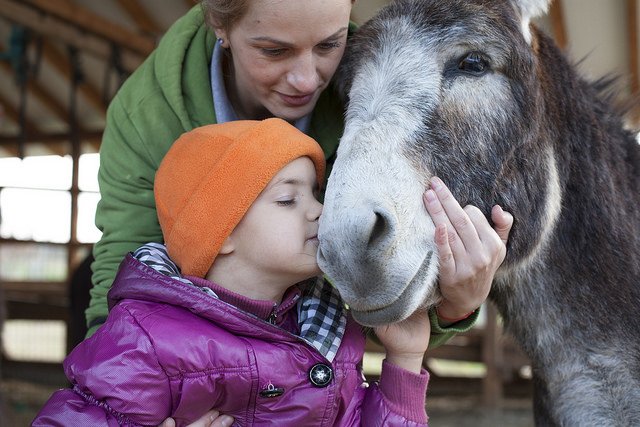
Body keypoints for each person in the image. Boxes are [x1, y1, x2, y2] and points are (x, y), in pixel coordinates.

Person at [87, 0, 511, 345]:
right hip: (190, 362)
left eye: (330, 44)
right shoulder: (146, 115)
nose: (308, 80)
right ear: (220, 24)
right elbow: (124, 276)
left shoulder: (386, 95)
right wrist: (130, 404)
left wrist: (455, 306)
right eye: (274, 50)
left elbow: (393, 312)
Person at [34, 119, 436, 426]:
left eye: (315, 193)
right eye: (287, 199)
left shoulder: (330, 330)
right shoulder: (146, 343)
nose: (319, 210)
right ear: (220, 233)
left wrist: (404, 357)